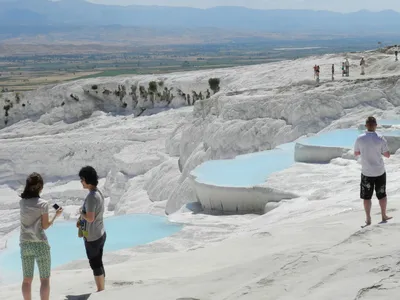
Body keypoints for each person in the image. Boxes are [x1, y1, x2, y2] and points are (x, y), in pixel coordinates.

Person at [19, 173, 63, 300]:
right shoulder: (43, 204)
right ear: (40, 187)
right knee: (44, 279)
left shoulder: (22, 203)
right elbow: (44, 226)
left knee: (26, 280)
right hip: (40, 244)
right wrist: (56, 216)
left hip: (25, 243)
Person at [354, 117, 392, 227]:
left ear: (366, 126)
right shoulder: (380, 138)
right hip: (379, 171)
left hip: (366, 172)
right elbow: (387, 155)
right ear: (376, 125)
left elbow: (356, 153)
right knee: (382, 194)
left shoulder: (360, 138)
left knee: (367, 197)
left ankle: (368, 218)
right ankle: (383, 215)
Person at [77, 166, 106, 292]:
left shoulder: (91, 197)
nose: (81, 182)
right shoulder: (98, 193)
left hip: (92, 236)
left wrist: (80, 213)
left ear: (86, 179)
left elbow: (90, 218)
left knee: (95, 263)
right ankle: (102, 287)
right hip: (100, 232)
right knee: (98, 261)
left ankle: (100, 290)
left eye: (81, 180)